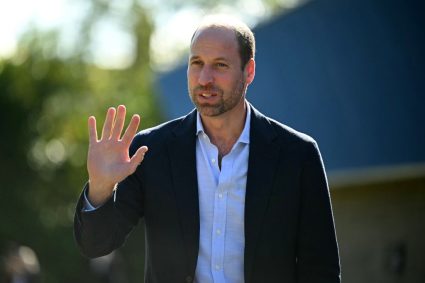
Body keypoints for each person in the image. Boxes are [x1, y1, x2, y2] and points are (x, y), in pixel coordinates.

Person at [74, 15, 341, 283]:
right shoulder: (151, 151)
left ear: (249, 72)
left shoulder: (297, 155)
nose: (204, 78)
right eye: (197, 63)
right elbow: (96, 245)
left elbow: (321, 270)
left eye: (220, 65)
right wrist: (100, 188)